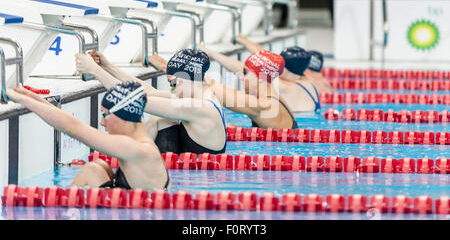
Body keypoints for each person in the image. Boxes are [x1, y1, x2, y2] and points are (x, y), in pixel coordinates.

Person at [5, 83, 169, 190]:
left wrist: (20, 99)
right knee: (98, 166)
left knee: (91, 170)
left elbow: (73, 128)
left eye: (105, 115)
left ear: (121, 115)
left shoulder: (136, 149)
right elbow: (72, 123)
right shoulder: (141, 143)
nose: (102, 123)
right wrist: (27, 95)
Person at [76, 49, 227, 155]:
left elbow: (132, 98)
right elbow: (150, 92)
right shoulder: (201, 98)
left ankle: (131, 159)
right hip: (190, 171)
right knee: (162, 119)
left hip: (198, 183)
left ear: (181, 79)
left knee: (158, 119)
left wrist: (94, 70)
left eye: (172, 84)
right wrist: (108, 67)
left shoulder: (200, 107)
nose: (173, 91)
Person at [198, 46, 298, 130]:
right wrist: (209, 52)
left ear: (260, 78)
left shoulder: (263, 106)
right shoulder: (276, 98)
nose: (241, 76)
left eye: (245, 73)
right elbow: (244, 68)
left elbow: (216, 89)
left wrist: (192, 66)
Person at [237, 35, 332, 97]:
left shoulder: (289, 85)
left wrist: (243, 41)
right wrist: (245, 41)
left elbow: (263, 59)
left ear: (307, 70)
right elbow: (264, 57)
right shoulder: (323, 84)